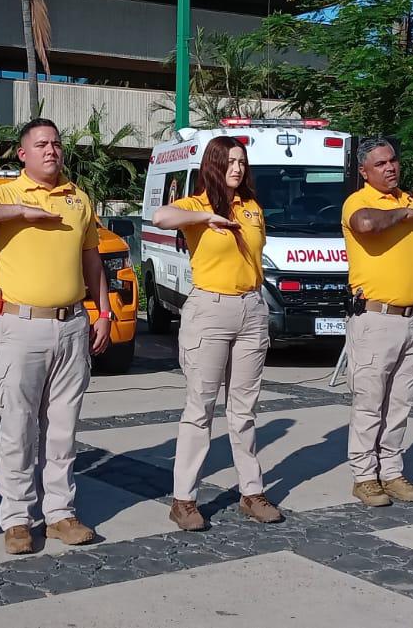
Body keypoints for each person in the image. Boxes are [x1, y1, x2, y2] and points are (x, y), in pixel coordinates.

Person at [0, 118, 112, 554]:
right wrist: (19, 212)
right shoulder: (8, 192)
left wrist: (104, 311)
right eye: (40, 144)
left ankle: (60, 513)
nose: (51, 151)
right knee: (19, 427)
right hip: (21, 326)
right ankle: (18, 518)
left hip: (73, 324)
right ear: (22, 154)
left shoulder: (78, 198)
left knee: (62, 429)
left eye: (56, 144)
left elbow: (92, 259)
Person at [150, 135, 282, 530]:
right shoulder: (195, 204)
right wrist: (205, 218)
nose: (237, 169)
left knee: (243, 410)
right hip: (210, 309)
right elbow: (160, 218)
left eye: (242, 161)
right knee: (200, 409)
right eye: (229, 162)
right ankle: (184, 499)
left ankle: (251, 491)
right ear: (213, 165)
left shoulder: (253, 207)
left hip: (250, 309)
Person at [339, 138, 413, 506]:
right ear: (365, 171)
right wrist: (406, 215)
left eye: (393, 160)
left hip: (410, 319)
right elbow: (365, 225)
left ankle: (392, 471)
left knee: (400, 403)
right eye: (380, 164)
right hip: (375, 318)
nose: (390, 167)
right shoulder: (359, 202)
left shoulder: (410, 202)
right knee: (369, 402)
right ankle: (364, 476)